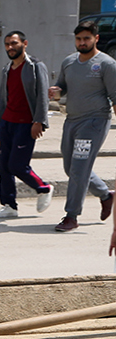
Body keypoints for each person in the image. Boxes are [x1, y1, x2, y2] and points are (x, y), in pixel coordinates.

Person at [48, 22, 116, 232]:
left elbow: (115, 97)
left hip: (95, 121)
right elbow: (63, 87)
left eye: (87, 38)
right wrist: (56, 91)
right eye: (78, 39)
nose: (82, 42)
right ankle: (106, 195)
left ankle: (71, 216)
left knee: (79, 168)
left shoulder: (106, 64)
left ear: (96, 38)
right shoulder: (69, 61)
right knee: (71, 168)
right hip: (72, 120)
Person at [0, 29, 53, 219]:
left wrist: (40, 121)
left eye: (14, 43)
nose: (10, 47)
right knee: (3, 167)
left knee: (17, 165)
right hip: (7, 123)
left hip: (26, 124)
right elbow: (2, 99)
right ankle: (9, 205)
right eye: (7, 44)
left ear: (24, 44)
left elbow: (43, 95)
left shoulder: (35, 67)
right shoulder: (6, 69)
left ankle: (43, 187)